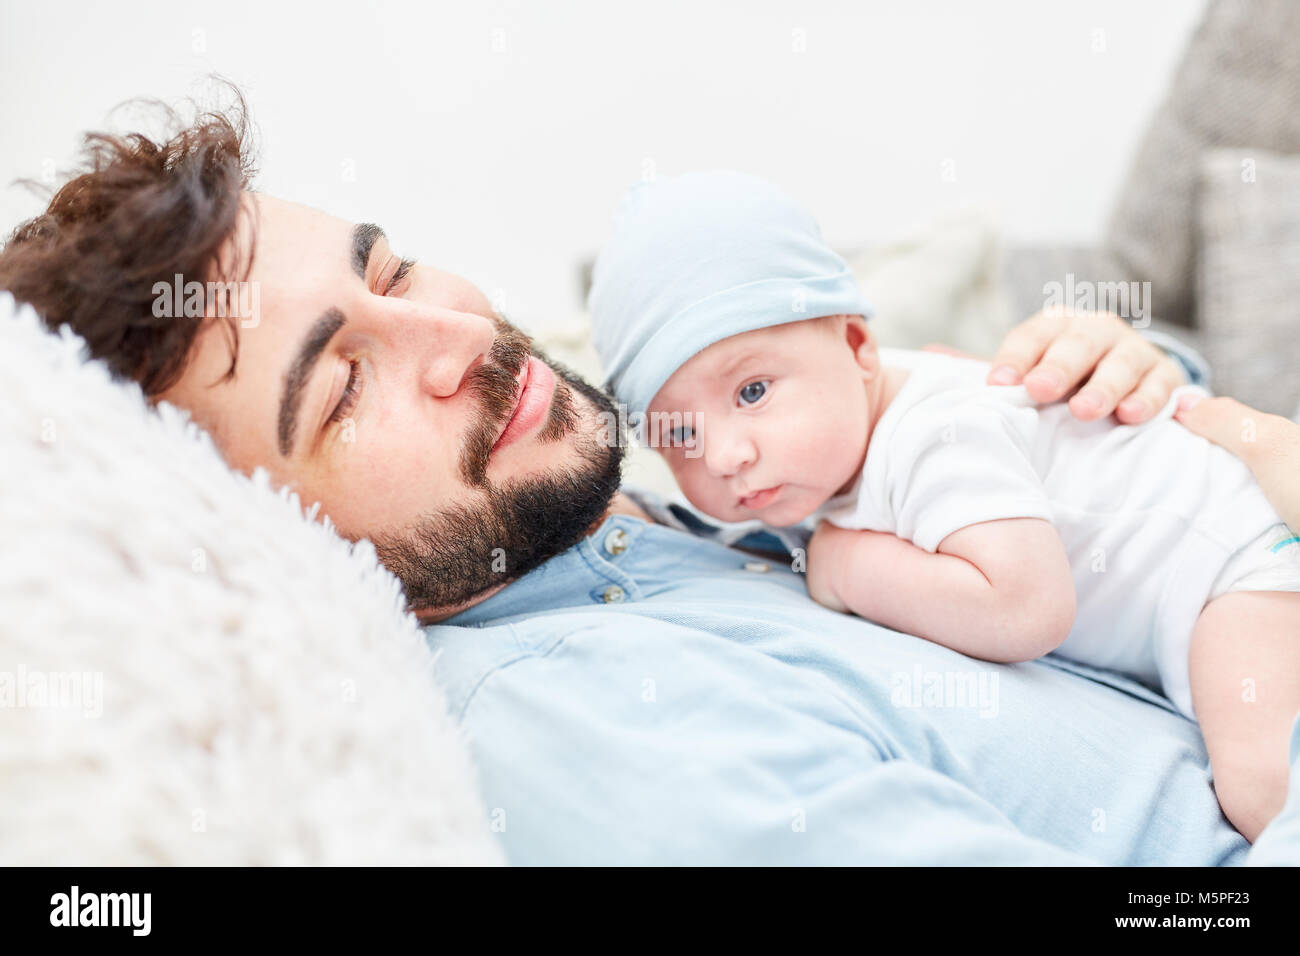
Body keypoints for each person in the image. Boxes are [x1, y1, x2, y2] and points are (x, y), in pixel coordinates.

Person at [0, 98, 1279, 864]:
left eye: (392, 274)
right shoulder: (600, 736)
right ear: (258, 526)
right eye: (343, 386)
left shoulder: (664, 492)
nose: (459, 338)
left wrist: (1107, 391)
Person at [588, 171, 1300, 841]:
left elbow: (1026, 608)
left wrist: (850, 569)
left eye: (752, 392)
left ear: (858, 347)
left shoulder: (935, 434)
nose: (724, 456)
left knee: (1263, 787)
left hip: (1239, 561)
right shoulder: (814, 467)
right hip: (1206, 589)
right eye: (680, 434)